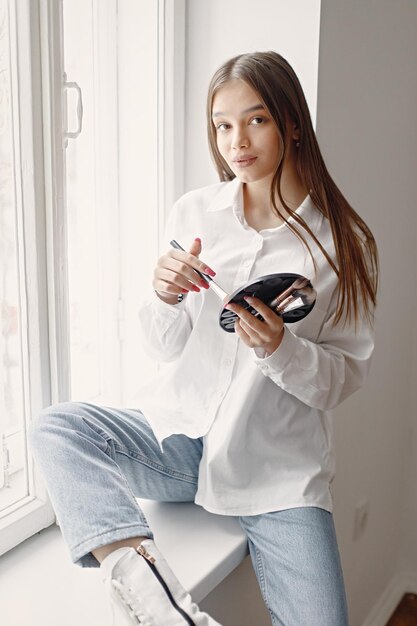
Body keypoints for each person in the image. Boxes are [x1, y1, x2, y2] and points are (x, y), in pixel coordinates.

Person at [30, 51, 378, 626]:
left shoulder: (346, 243)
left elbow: (344, 376)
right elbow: (168, 348)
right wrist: (164, 295)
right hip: (184, 443)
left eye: (256, 119)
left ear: (292, 122)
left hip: (280, 473)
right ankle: (156, 602)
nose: (236, 141)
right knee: (57, 428)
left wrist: (278, 350)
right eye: (222, 124)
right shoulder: (194, 212)